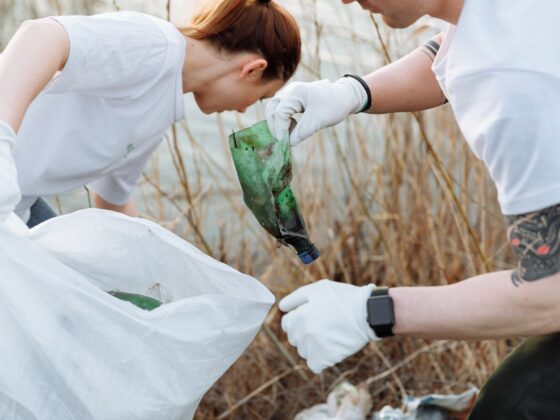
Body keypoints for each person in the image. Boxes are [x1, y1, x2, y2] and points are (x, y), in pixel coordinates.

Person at [266, 0, 560, 418]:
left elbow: (550, 295)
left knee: (512, 404)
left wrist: (373, 311)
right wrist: (351, 92)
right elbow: (457, 47)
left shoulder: (511, 85)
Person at [0, 0, 300, 227]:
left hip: (15, 211)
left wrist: (151, 257)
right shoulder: (154, 47)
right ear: (252, 69)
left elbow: (113, 199)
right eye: (262, 96)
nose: (244, 109)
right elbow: (41, 36)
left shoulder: (164, 104)